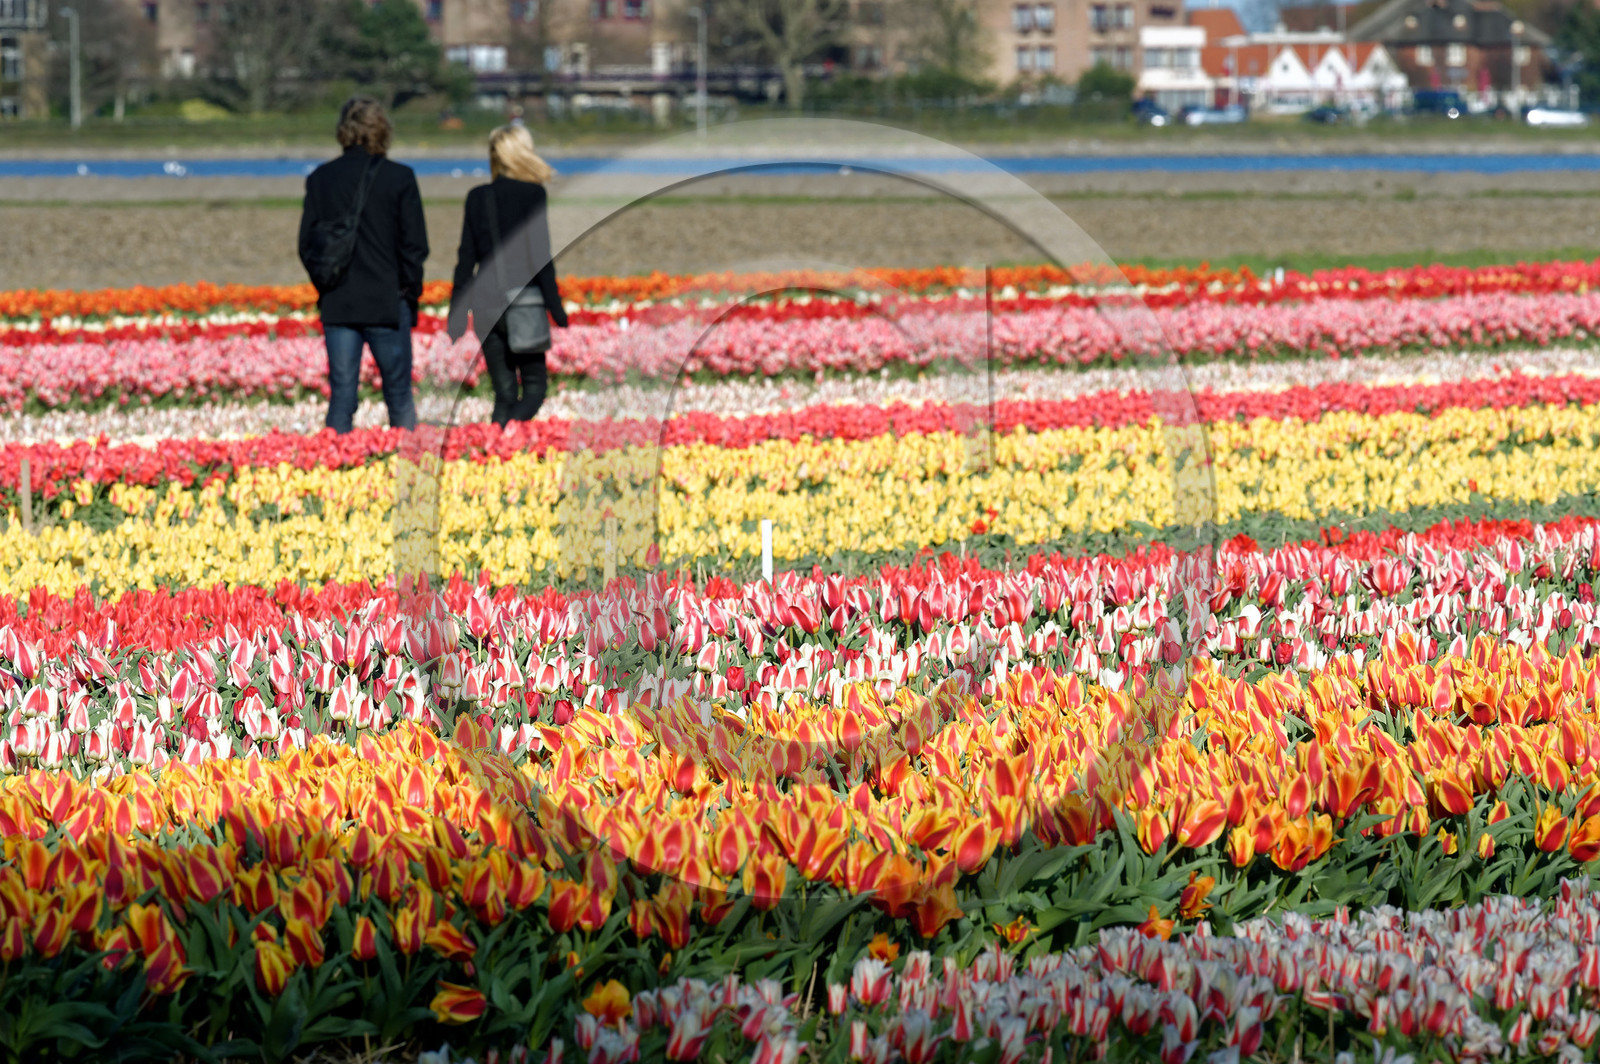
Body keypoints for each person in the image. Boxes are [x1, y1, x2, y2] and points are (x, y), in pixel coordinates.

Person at [298, 96, 428, 434]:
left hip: (338, 300)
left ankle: (335, 469)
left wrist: (325, 283)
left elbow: (306, 244)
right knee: (398, 394)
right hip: (386, 300)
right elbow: (415, 246)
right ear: (383, 130)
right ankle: (407, 468)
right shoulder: (399, 178)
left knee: (342, 395)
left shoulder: (321, 179)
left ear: (343, 131)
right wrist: (409, 292)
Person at [446, 124, 569, 426]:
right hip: (523, 301)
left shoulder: (477, 197)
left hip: (485, 304)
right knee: (535, 388)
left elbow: (466, 259)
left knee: (504, 392)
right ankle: (507, 439)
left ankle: (496, 452)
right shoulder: (533, 194)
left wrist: (457, 314)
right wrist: (556, 308)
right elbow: (540, 256)